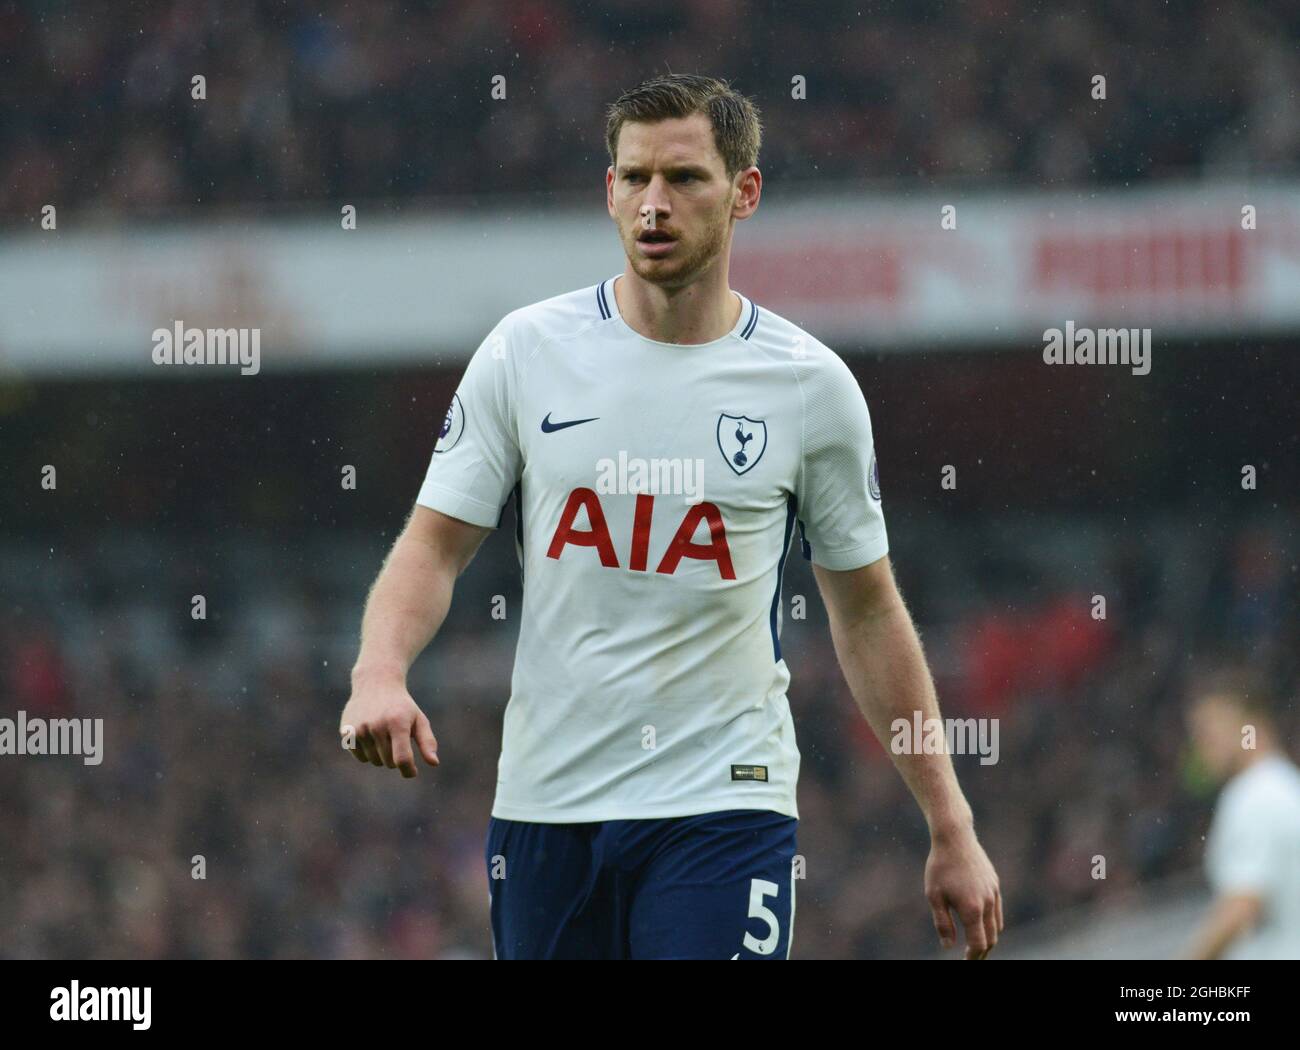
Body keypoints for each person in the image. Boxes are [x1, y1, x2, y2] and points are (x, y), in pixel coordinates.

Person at [339, 73, 1001, 960]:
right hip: (549, 808)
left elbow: (869, 609)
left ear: (745, 193)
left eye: (685, 179)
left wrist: (949, 823)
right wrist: (378, 671)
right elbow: (433, 546)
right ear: (607, 192)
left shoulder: (809, 388)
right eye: (633, 178)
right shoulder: (526, 353)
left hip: (725, 806)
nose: (654, 204)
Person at [1185, 669, 1300, 959]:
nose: (1201, 747)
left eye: (1208, 732)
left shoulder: (1254, 795)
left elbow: (1241, 906)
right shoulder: (1285, 785)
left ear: (1252, 723)